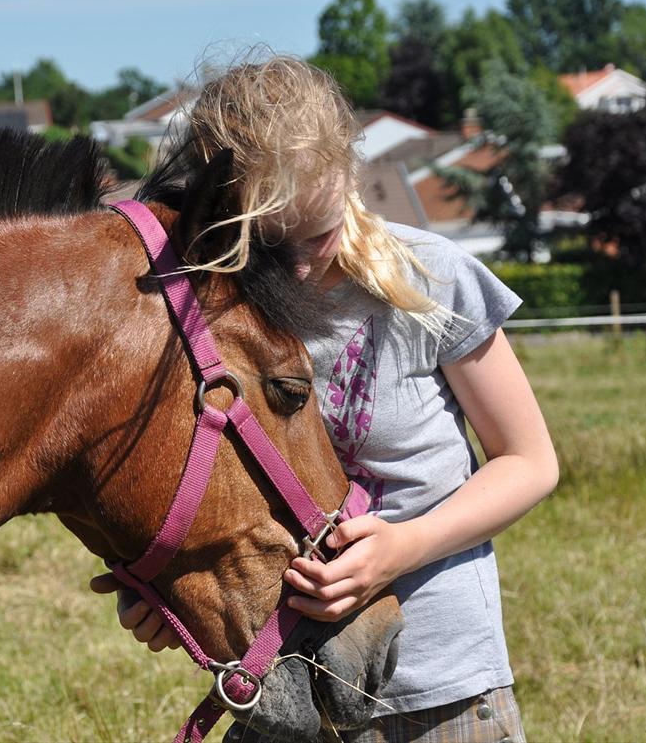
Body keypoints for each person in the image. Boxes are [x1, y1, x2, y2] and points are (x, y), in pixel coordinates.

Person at [91, 55, 558, 743]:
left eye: (319, 233)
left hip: (441, 688)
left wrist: (401, 548)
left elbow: (530, 461)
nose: (302, 268)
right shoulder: (211, 317)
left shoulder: (435, 279)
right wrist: (170, 593)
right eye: (273, 244)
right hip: (282, 691)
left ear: (348, 171)